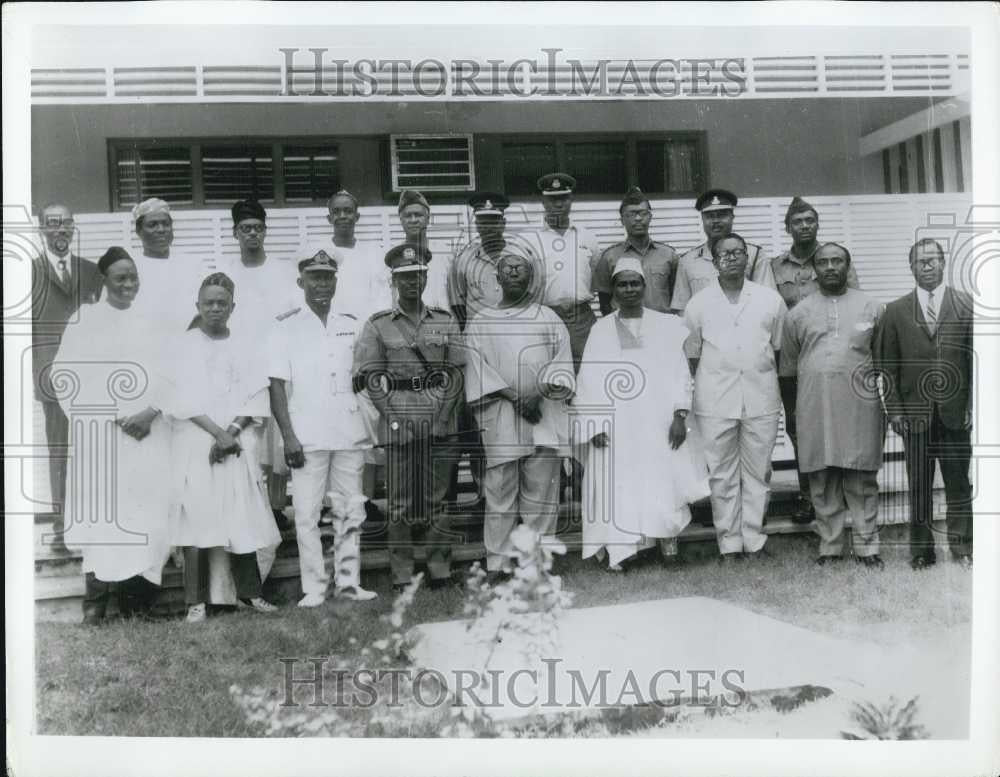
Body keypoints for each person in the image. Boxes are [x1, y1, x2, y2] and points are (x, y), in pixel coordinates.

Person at [53, 247, 172, 624]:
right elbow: (65, 375)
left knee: (146, 514)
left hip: (147, 434)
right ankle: (97, 603)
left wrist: (150, 412)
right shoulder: (84, 320)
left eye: (133, 276)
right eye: (120, 277)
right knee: (103, 516)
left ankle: (138, 603)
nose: (128, 284)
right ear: (103, 280)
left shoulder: (153, 319)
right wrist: (111, 415)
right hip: (102, 435)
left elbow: (172, 373)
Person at [576, 257, 708, 570]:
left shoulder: (666, 326)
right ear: (614, 291)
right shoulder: (601, 329)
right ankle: (626, 550)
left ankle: (668, 547)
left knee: (663, 479)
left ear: (644, 286)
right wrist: (593, 425)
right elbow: (588, 379)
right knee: (620, 482)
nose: (629, 289)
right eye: (622, 284)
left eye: (635, 282)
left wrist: (679, 416)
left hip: (658, 420)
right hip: (618, 424)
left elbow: (679, 373)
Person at [268, 245, 379, 607]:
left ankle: (349, 582)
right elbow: (277, 386)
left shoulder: (352, 323)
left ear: (335, 281)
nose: (321, 284)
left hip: (348, 430)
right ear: (301, 281)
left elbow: (364, 376)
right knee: (306, 514)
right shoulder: (285, 327)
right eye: (314, 277)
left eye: (327, 277)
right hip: (307, 434)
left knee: (350, 511)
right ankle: (314, 587)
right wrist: (288, 436)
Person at [167, 273, 281, 623]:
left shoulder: (245, 344)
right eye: (208, 303)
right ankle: (195, 601)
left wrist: (231, 432)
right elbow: (181, 398)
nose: (215, 308)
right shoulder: (185, 345)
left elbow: (255, 395)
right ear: (197, 306)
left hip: (235, 442)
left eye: (222, 302)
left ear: (233, 306)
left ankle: (250, 593)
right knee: (198, 519)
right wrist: (217, 433)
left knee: (240, 515)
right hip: (197, 439)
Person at [353, 243, 466, 592]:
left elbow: (457, 371)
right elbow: (370, 378)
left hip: (439, 412)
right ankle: (402, 573)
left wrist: (444, 414)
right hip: (399, 413)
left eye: (417, 276)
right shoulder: (378, 325)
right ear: (394, 281)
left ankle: (439, 570)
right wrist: (392, 417)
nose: (411, 283)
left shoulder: (444, 320)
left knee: (439, 498)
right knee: (400, 502)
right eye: (404, 278)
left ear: (426, 277)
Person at [463, 250, 572, 577]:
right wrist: (514, 396)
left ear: (530, 277)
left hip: (542, 414)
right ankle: (497, 564)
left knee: (541, 497)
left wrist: (536, 394)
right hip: (501, 417)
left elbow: (562, 363)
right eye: (507, 268)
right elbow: (476, 368)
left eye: (520, 268)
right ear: (496, 278)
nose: (513, 272)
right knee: (500, 497)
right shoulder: (481, 321)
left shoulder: (548, 317)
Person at [780, 243, 885, 568]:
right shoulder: (798, 313)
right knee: (822, 477)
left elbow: (884, 360)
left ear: (847, 265)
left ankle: (868, 547)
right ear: (814, 269)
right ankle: (830, 546)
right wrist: (791, 413)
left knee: (860, 475)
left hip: (860, 405)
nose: (830, 267)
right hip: (814, 405)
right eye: (823, 262)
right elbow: (787, 369)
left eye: (836, 261)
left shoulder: (873, 307)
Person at [684, 233, 785, 562]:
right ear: (714, 261)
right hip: (715, 399)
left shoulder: (770, 300)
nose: (731, 258)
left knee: (758, 472)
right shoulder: (698, 304)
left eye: (738, 252)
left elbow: (780, 349)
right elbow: (691, 354)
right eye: (724, 254)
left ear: (748, 258)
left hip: (761, 396)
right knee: (722, 473)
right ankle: (728, 542)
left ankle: (753, 539)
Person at [874, 238, 974, 570]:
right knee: (919, 486)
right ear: (911, 268)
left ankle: (963, 549)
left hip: (955, 414)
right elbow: (886, 368)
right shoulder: (896, 310)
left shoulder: (965, 304)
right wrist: (896, 412)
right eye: (920, 261)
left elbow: (977, 361)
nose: (927, 266)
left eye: (933, 260)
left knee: (959, 483)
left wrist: (973, 406)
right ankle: (921, 551)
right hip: (914, 416)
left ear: (944, 264)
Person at [772, 197, 862, 525]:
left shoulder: (835, 259)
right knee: (801, 429)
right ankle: (808, 497)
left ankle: (842, 496)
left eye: (810, 220)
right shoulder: (775, 266)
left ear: (818, 224)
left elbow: (854, 306)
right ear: (788, 227)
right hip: (793, 362)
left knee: (840, 425)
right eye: (798, 221)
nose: (805, 226)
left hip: (834, 358)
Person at [219, 199, 299, 532]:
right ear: (235, 233)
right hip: (242, 365)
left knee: (279, 440)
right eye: (245, 228)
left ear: (265, 232)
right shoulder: (227, 273)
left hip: (278, 361)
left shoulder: (281, 269)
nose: (252, 234)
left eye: (257, 228)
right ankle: (257, 506)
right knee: (253, 436)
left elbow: (294, 313)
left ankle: (278, 507)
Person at [31, 203, 103, 555]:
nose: (60, 230)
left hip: (92, 380)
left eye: (66, 224)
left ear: (74, 229)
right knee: (60, 453)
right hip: (52, 380)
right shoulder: (24, 273)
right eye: (52, 224)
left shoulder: (92, 273)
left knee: (95, 452)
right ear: (41, 229)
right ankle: (61, 528)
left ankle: (94, 523)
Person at [533, 172, 601, 372]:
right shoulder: (530, 240)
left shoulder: (588, 238)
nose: (558, 204)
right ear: (543, 201)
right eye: (552, 199)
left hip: (581, 318)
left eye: (563, 198)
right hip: (546, 317)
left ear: (571, 200)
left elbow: (595, 279)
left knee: (588, 372)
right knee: (549, 374)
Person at [669, 189, 776, 313]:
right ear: (702, 219)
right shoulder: (687, 260)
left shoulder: (754, 254)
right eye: (710, 216)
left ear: (732, 217)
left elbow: (768, 301)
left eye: (722, 215)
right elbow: (682, 310)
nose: (716, 221)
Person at [448, 191, 543, 329]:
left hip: (516, 331)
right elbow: (458, 304)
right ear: (476, 225)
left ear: (503, 223)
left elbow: (534, 296)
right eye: (483, 222)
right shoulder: (463, 259)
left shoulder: (523, 256)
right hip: (479, 335)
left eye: (494, 221)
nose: (489, 227)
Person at [591, 187, 678, 316]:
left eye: (643, 213)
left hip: (661, 327)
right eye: (631, 214)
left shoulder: (669, 255)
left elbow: (677, 297)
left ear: (650, 217)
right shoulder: (609, 257)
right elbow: (605, 302)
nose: (638, 219)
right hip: (624, 328)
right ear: (622, 220)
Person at [129, 197, 203, 333]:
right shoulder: (129, 267)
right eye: (152, 225)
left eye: (166, 224)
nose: (161, 229)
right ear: (139, 231)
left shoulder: (193, 265)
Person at [326, 189, 392, 320]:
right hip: (329, 327)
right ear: (329, 218)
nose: (342, 215)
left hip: (365, 327)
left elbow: (382, 298)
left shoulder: (374, 255)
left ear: (357, 217)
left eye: (348, 211)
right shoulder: (319, 252)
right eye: (336, 211)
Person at [397, 189, 452, 311]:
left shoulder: (446, 254)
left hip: (441, 323)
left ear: (428, 219)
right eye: (407, 216)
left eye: (418, 215)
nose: (413, 220)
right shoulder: (395, 256)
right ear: (401, 220)